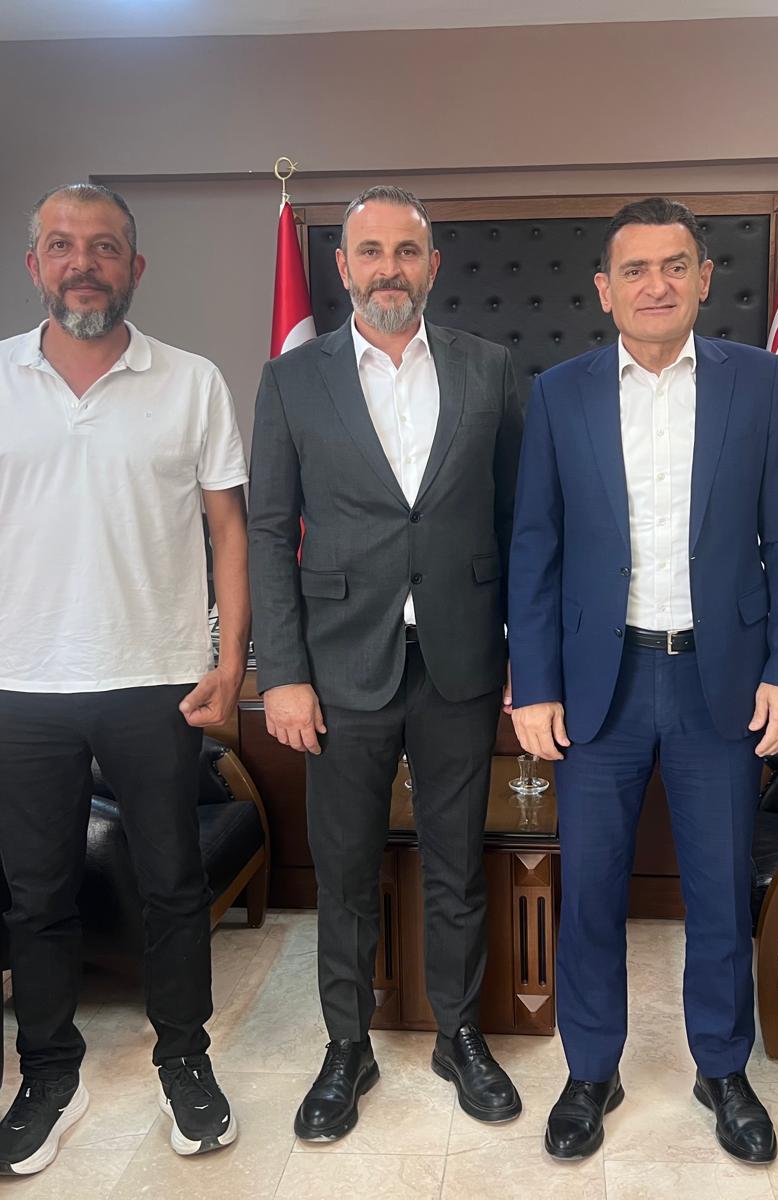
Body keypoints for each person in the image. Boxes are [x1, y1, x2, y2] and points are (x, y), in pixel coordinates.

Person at [0, 183, 250, 1175]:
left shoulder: (191, 381)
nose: (83, 263)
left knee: (173, 886)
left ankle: (185, 1062)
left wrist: (230, 661)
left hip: (158, 681)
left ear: (133, 268)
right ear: (35, 265)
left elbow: (229, 530)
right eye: (62, 245)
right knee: (38, 897)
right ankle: (47, 1076)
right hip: (25, 687)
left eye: (104, 247)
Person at [508, 196, 778, 1165]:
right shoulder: (557, 393)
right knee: (590, 890)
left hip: (717, 682)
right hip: (596, 685)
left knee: (719, 890)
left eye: (674, 265)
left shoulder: (759, 382)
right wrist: (532, 683)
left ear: (702, 279)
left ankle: (720, 1068)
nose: (656, 284)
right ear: (605, 290)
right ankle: (590, 1070)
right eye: (635, 269)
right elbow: (535, 546)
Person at [247, 185, 524, 1141]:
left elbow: (522, 524)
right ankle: (346, 1047)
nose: (389, 269)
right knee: (345, 871)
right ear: (342, 267)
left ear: (433, 265)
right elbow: (270, 530)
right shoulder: (293, 380)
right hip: (337, 669)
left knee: (457, 864)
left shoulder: (491, 368)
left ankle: (460, 1035)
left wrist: (525, 658)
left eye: (407, 251)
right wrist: (281, 673)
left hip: (461, 659)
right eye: (370, 252)